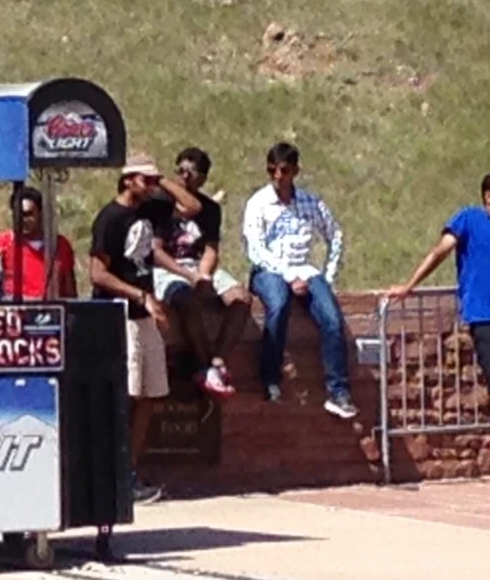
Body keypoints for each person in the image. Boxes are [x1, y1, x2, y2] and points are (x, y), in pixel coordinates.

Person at [89, 152, 202, 501]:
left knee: (151, 395)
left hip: (145, 314)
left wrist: (161, 179)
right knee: (128, 395)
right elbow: (97, 273)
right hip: (120, 315)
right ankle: (113, 472)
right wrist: (139, 296)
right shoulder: (109, 218)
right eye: (145, 180)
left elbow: (192, 207)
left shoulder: (149, 210)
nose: (152, 186)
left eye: (154, 181)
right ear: (128, 179)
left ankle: (130, 470)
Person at [241, 142, 357, 418]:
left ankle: (337, 391)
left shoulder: (310, 202)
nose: (278, 176)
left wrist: (327, 275)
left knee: (330, 318)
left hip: (304, 268)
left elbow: (335, 235)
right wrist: (287, 275)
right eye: (272, 170)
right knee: (278, 305)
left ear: (295, 171)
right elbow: (255, 248)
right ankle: (270, 379)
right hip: (268, 269)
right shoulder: (259, 203)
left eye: (283, 170)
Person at [150, 147, 253, 398]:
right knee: (187, 299)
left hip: (196, 265)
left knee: (241, 298)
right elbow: (155, 252)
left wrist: (204, 275)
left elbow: (211, 249)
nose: (184, 177)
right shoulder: (159, 204)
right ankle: (202, 365)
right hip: (168, 267)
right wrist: (191, 278)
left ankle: (218, 359)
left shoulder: (210, 209)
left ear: (203, 178)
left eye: (191, 173)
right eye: (180, 170)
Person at [387, 170, 490, 394]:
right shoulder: (469, 219)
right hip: (485, 317)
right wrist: (410, 285)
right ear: (489, 196)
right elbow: (440, 252)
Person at [0, 186, 77, 300]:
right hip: (15, 313)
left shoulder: (59, 245)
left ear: (40, 213)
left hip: (51, 311)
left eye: (28, 214)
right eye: (18, 215)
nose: (23, 220)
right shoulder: (0, 244)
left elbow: (70, 290)